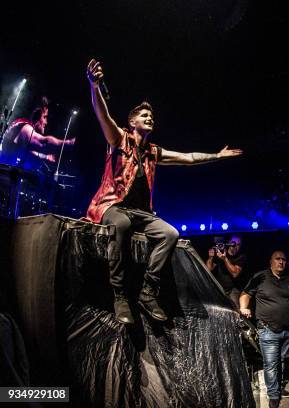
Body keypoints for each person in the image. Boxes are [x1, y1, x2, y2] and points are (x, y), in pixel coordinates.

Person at [84, 59, 243, 325]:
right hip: (113, 205)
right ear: (132, 121)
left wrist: (217, 155)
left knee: (171, 233)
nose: (150, 118)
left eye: (152, 116)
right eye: (144, 116)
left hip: (142, 212)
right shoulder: (118, 139)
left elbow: (188, 157)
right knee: (121, 224)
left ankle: (148, 292)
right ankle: (120, 294)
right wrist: (94, 85)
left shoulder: (153, 152)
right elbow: (102, 113)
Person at [239, 250, 289, 408]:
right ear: (271, 261)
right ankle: (274, 395)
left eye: (284, 259)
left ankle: (278, 388)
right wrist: (243, 308)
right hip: (268, 329)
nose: (281, 262)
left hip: (287, 330)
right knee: (271, 363)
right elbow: (245, 294)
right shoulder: (261, 276)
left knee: (280, 360)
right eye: (278, 259)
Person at [0, 97, 75, 168]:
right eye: (44, 117)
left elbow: (30, 152)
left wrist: (46, 157)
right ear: (37, 115)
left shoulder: (20, 125)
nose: (46, 122)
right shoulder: (26, 128)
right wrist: (69, 143)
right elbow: (42, 142)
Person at [206, 235, 246, 308]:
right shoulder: (220, 252)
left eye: (238, 245)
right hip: (219, 288)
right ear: (229, 243)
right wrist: (211, 257)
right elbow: (209, 269)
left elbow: (235, 273)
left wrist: (225, 259)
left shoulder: (241, 256)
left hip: (233, 290)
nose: (235, 246)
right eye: (233, 243)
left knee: (235, 311)